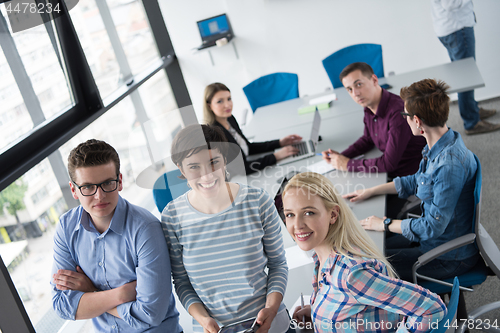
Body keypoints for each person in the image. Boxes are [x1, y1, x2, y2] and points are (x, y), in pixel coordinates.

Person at [344, 79, 480, 282]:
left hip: (447, 257)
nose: (403, 119)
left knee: (365, 271)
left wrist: (386, 223)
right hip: (432, 241)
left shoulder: (449, 165)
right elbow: (417, 181)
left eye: (405, 115)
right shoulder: (440, 143)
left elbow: (431, 226)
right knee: (368, 246)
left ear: (417, 121)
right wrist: (372, 191)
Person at [162, 124, 291, 333]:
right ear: (181, 169)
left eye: (214, 162)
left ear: (224, 160)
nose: (207, 176)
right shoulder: (172, 217)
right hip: (216, 329)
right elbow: (182, 282)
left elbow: (278, 264)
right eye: (194, 167)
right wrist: (204, 320)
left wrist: (271, 308)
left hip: (269, 321)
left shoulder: (258, 202)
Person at [282, 172, 446, 333]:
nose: (297, 225)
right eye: (290, 214)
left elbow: (431, 308)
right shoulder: (322, 258)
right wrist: (318, 315)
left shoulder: (350, 275)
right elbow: (355, 309)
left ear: (333, 215)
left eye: (309, 213)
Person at [51, 139, 182, 333]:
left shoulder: (146, 229)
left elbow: (151, 314)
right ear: (74, 190)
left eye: (107, 183)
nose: (99, 196)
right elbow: (62, 305)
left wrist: (91, 293)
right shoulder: (66, 228)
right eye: (87, 187)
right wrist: (121, 294)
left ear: (119, 181)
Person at [321, 62, 426, 180]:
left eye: (359, 84)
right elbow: (368, 139)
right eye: (349, 89)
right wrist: (340, 156)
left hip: (410, 178)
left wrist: (347, 164)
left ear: (374, 80)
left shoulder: (397, 113)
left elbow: (388, 164)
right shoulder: (369, 107)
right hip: (390, 174)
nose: (356, 93)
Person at [431, 0, 500, 135]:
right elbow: (449, 4)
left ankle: (472, 109)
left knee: (463, 75)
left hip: (450, 28)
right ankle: (472, 121)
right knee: (466, 77)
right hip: (457, 29)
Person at [204, 82, 302, 175]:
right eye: (220, 101)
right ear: (209, 106)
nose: (227, 105)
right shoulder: (215, 135)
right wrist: (276, 156)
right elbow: (242, 169)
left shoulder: (229, 119)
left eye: (229, 99)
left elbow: (248, 148)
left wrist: (279, 143)